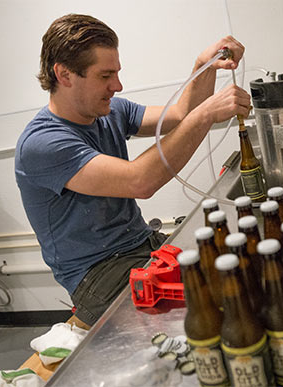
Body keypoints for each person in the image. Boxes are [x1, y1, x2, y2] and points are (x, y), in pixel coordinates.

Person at [14, 14, 251, 327]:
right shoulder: (42, 143)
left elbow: (181, 114)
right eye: (105, 76)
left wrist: (203, 66)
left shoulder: (109, 112)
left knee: (237, 284)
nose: (117, 85)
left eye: (117, 73)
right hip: (97, 275)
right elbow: (141, 181)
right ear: (64, 74)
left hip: (145, 248)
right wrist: (205, 116)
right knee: (208, 318)